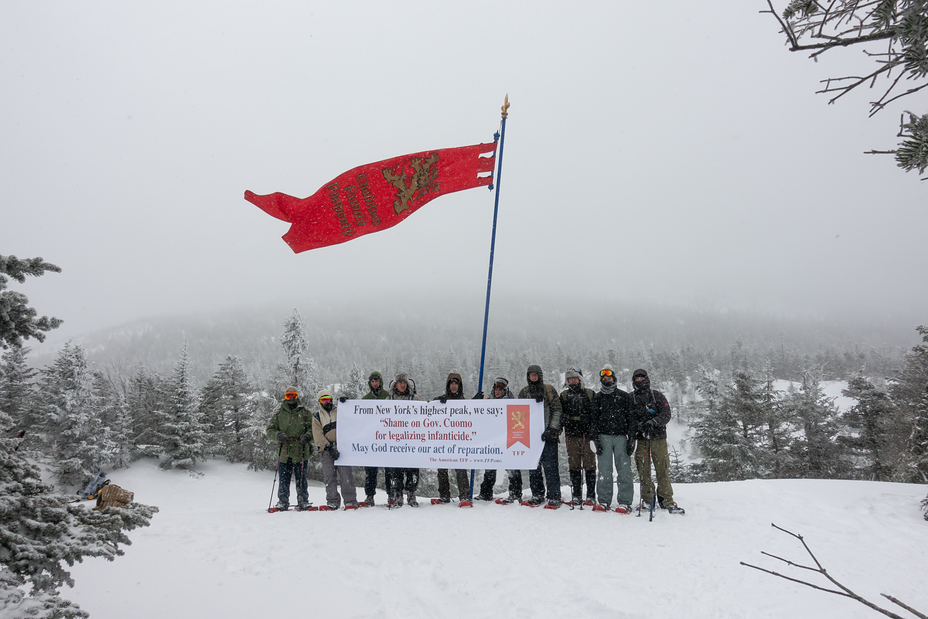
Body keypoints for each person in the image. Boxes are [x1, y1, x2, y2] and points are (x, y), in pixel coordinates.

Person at [631, 369, 684, 514]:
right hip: (641, 440)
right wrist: (638, 425)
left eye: (642, 378)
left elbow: (666, 414)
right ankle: (648, 498)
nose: (640, 381)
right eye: (637, 379)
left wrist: (654, 422)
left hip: (658, 439)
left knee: (663, 469)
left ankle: (666, 499)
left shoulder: (657, 396)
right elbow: (627, 417)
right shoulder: (631, 398)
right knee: (643, 470)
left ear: (647, 379)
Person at [590, 364, 635, 513]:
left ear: (614, 378)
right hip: (603, 437)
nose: (606, 379)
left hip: (621, 437)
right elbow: (593, 420)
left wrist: (631, 438)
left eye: (609, 377)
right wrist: (595, 438)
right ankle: (603, 500)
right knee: (604, 471)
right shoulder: (598, 397)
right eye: (603, 377)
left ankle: (625, 501)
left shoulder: (624, 396)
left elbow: (631, 418)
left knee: (624, 470)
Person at [518, 364, 563, 508]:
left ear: (540, 376)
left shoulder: (549, 390)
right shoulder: (524, 392)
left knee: (551, 467)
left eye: (536, 375)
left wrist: (552, 429)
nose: (533, 377)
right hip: (532, 438)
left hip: (549, 436)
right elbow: (518, 413)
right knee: (534, 467)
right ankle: (537, 494)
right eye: (531, 375)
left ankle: (554, 496)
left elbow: (557, 410)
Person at [312, 388, 360, 510]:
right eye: (323, 400)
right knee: (329, 477)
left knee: (346, 475)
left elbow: (352, 418)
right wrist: (328, 447)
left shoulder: (340, 411)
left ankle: (350, 500)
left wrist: (347, 404)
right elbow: (318, 435)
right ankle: (332, 500)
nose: (326, 402)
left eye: (328, 399)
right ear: (320, 402)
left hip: (341, 447)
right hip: (326, 450)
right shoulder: (317, 416)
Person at [266, 387, 312, 511]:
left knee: (301, 478)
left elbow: (313, 428)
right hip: (284, 450)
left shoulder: (305, 412)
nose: (290, 398)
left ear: (297, 396)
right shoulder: (279, 413)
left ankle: (303, 500)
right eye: (288, 396)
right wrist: (277, 436)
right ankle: (282, 501)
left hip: (301, 449)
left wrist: (308, 436)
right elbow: (270, 430)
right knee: (283, 479)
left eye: (293, 395)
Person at [474, 377, 519, 501]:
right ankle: (486, 493)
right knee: (490, 465)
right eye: (496, 389)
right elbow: (476, 414)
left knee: (511, 466)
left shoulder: (510, 401)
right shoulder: (488, 401)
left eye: (500, 390)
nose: (497, 392)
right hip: (492, 438)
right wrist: (475, 402)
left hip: (507, 438)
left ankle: (515, 493)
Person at [434, 372, 473, 507]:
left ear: (460, 386)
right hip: (443, 439)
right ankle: (444, 495)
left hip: (459, 440)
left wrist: (475, 403)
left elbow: (471, 417)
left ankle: (464, 496)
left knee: (460, 468)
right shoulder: (441, 400)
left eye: (456, 384)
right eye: (451, 383)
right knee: (442, 468)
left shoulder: (464, 401)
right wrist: (437, 402)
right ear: (448, 385)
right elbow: (430, 411)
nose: (454, 386)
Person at [559, 368, 597, 505]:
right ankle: (576, 495)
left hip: (587, 435)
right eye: (570, 379)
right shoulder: (563, 395)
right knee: (574, 465)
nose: (573, 381)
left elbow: (596, 414)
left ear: (580, 379)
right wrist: (564, 420)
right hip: (572, 435)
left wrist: (592, 428)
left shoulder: (590, 394)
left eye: (575, 378)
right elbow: (559, 413)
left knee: (590, 465)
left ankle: (591, 496)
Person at [388, 372, 420, 507]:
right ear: (395, 384)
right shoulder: (389, 400)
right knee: (396, 470)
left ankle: (411, 494)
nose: (402, 384)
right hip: (395, 440)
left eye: (404, 382)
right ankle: (398, 494)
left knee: (413, 470)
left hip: (412, 439)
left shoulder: (414, 399)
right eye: (400, 382)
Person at [361, 371, 389, 506]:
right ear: (369, 383)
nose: (375, 383)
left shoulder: (388, 397)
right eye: (372, 381)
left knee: (390, 469)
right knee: (370, 470)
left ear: (380, 381)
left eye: (377, 381)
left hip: (387, 438)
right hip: (371, 439)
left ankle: (391, 494)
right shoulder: (366, 399)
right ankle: (370, 495)